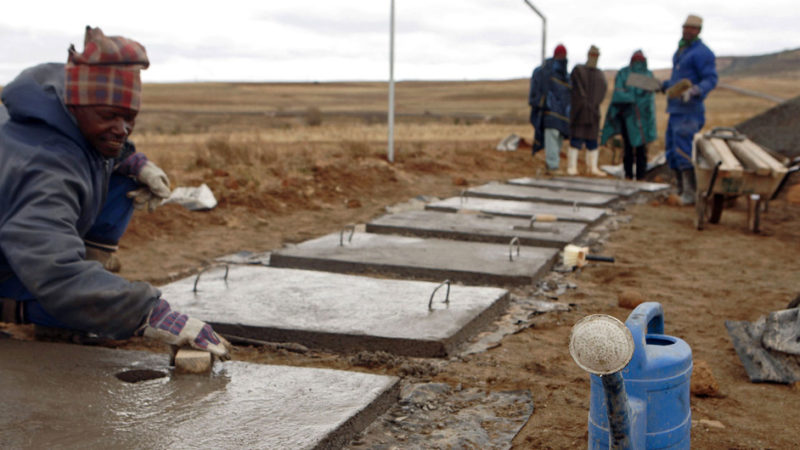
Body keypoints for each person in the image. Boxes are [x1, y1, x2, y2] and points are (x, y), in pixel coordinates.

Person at [0, 26, 229, 359]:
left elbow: (104, 145)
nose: (121, 129)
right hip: (27, 257)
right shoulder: (45, 171)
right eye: (109, 117)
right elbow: (55, 273)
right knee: (71, 298)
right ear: (76, 107)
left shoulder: (63, 114)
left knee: (125, 178)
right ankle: (13, 305)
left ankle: (88, 281)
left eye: (130, 118)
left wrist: (136, 163)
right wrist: (149, 314)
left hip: (19, 241)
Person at [661, 14, 718, 204]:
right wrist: (666, 86)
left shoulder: (702, 53)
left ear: (699, 31)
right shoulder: (681, 52)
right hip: (675, 110)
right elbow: (677, 80)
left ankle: (690, 193)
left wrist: (695, 90)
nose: (687, 31)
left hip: (690, 111)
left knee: (684, 150)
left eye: (691, 28)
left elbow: (710, 79)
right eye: (685, 27)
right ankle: (680, 188)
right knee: (672, 150)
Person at [600, 50, 657, 180]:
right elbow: (620, 94)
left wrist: (633, 101)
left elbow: (649, 97)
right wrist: (636, 101)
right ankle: (634, 175)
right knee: (633, 148)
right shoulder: (632, 74)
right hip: (632, 118)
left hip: (633, 117)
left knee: (634, 148)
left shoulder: (629, 73)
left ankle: (634, 175)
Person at [529, 44, 571, 174]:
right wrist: (541, 103)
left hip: (561, 115)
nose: (562, 57)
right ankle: (552, 166)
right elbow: (538, 90)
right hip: (550, 113)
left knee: (557, 140)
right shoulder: (546, 71)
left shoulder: (564, 75)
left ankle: (553, 165)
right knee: (552, 138)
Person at [568, 45, 607, 176]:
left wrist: (593, 105)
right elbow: (576, 91)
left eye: (596, 56)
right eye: (592, 55)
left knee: (592, 141)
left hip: (593, 113)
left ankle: (592, 167)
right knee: (576, 140)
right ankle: (572, 166)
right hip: (580, 112)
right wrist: (583, 105)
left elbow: (602, 91)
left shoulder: (600, 75)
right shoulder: (579, 70)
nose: (594, 58)